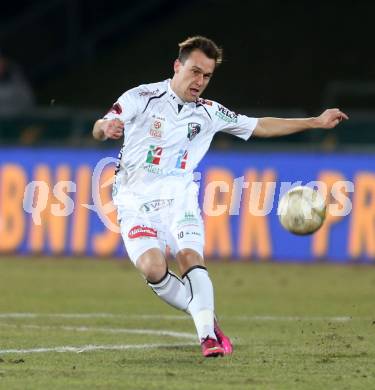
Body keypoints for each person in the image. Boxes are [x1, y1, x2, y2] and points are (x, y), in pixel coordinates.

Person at [92, 36, 348, 357]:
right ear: (177, 66)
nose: (199, 81)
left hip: (179, 198)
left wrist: (315, 121)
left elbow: (260, 126)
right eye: (195, 71)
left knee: (189, 257)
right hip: (133, 201)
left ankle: (207, 338)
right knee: (153, 268)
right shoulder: (142, 97)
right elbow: (101, 124)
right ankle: (206, 317)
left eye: (207, 76)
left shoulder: (210, 113)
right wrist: (107, 127)